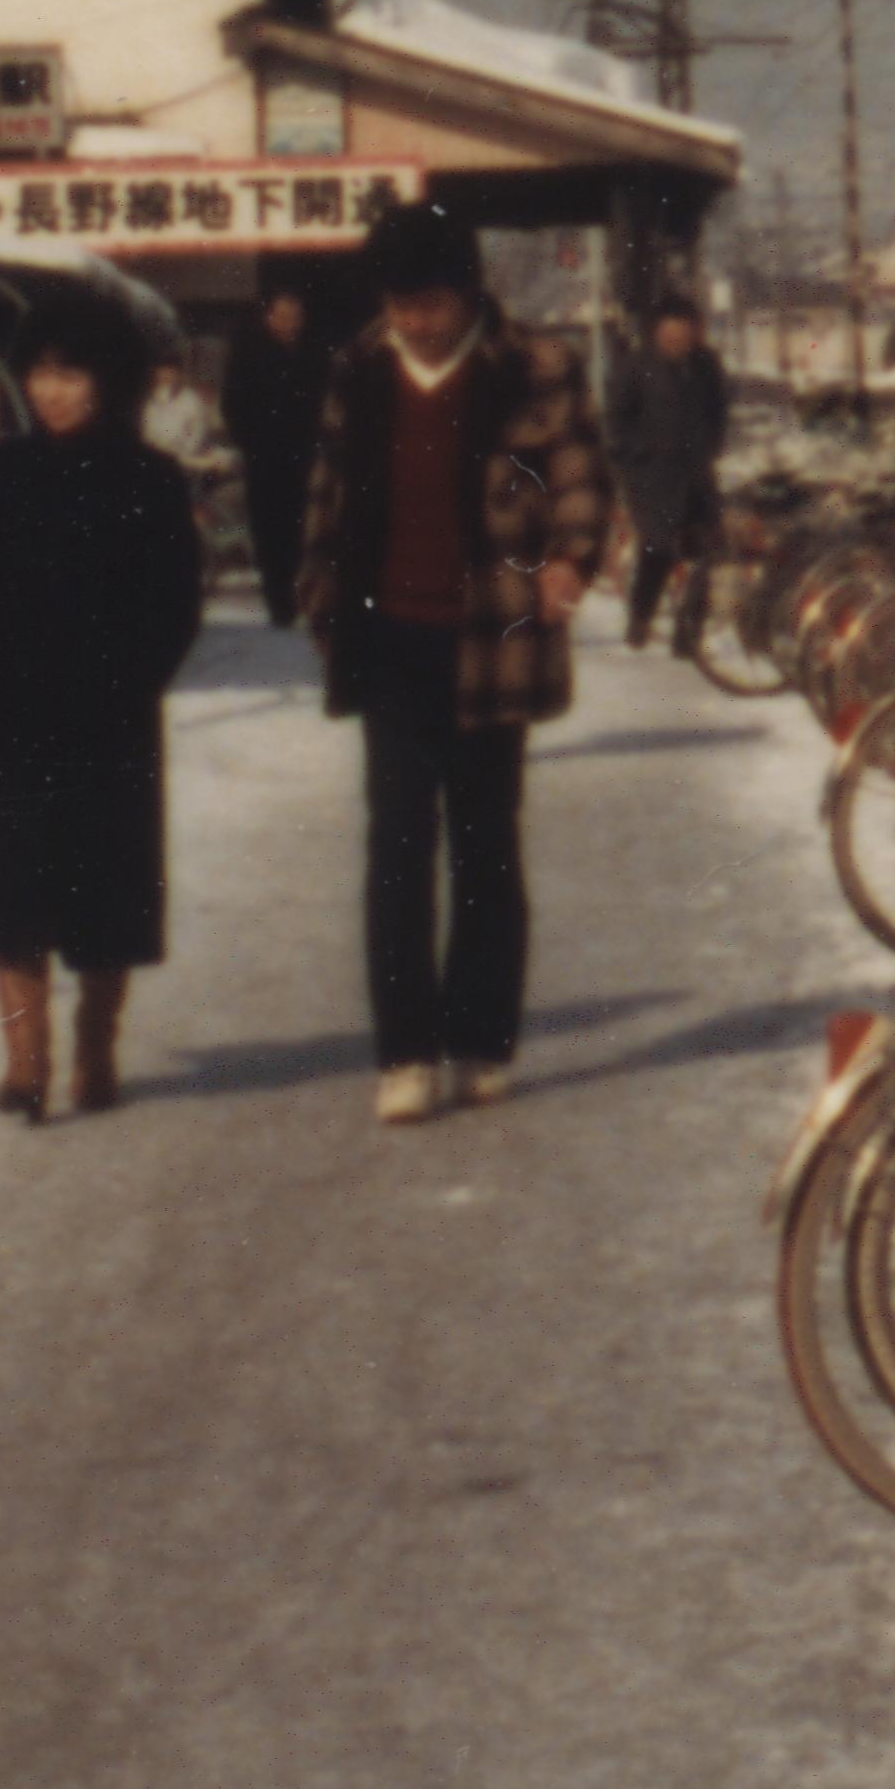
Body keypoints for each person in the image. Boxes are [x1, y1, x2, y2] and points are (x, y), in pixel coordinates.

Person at [289, 203, 610, 1126]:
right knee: (395, 845)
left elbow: (578, 476)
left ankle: (478, 1039)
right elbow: (327, 493)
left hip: (493, 636)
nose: (415, 322)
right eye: (400, 304)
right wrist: (318, 592)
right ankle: (404, 1052)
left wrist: (570, 556)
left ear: (469, 293)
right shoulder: (359, 368)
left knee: (484, 843)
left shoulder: (534, 367)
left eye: (430, 304)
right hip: (388, 635)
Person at [0, 281, 209, 1125]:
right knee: (13, 899)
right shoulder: (7, 471)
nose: (51, 391)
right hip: (20, 711)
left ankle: (95, 1048)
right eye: (39, 372)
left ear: (109, 380)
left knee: (103, 902)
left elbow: (177, 605)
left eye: (71, 374)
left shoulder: (152, 480)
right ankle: (25, 1065)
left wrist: (135, 677)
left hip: (113, 718)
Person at [604, 287, 735, 667]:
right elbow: (616, 423)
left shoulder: (705, 364)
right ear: (657, 331)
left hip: (696, 473)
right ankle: (640, 616)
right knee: (658, 549)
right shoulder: (635, 367)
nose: (677, 339)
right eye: (670, 332)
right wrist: (639, 454)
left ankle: (688, 631)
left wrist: (711, 446)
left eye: (684, 331)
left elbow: (718, 411)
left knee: (705, 553)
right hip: (651, 478)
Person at [220, 276, 335, 629]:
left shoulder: (315, 353)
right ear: (269, 317)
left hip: (305, 456)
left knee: (303, 527)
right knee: (269, 530)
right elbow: (231, 403)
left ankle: (304, 599)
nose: (290, 324)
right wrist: (250, 442)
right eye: (283, 317)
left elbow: (326, 404)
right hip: (264, 457)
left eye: (295, 317)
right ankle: (278, 604)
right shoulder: (247, 352)